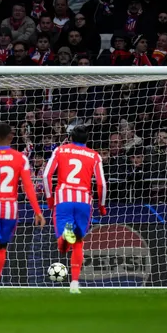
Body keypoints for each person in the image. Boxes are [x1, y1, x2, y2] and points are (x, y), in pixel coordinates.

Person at [0, 123, 46, 294]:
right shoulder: (21, 158)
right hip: (10, 207)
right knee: (2, 247)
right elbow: (29, 187)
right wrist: (37, 211)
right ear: (11, 137)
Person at [42, 125, 107, 294]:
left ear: (71, 138)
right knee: (78, 243)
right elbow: (101, 184)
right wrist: (102, 205)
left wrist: (49, 198)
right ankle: (74, 284)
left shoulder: (60, 150)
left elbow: (46, 175)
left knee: (65, 240)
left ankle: (65, 239)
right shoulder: (94, 155)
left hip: (63, 198)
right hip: (84, 201)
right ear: (87, 139)